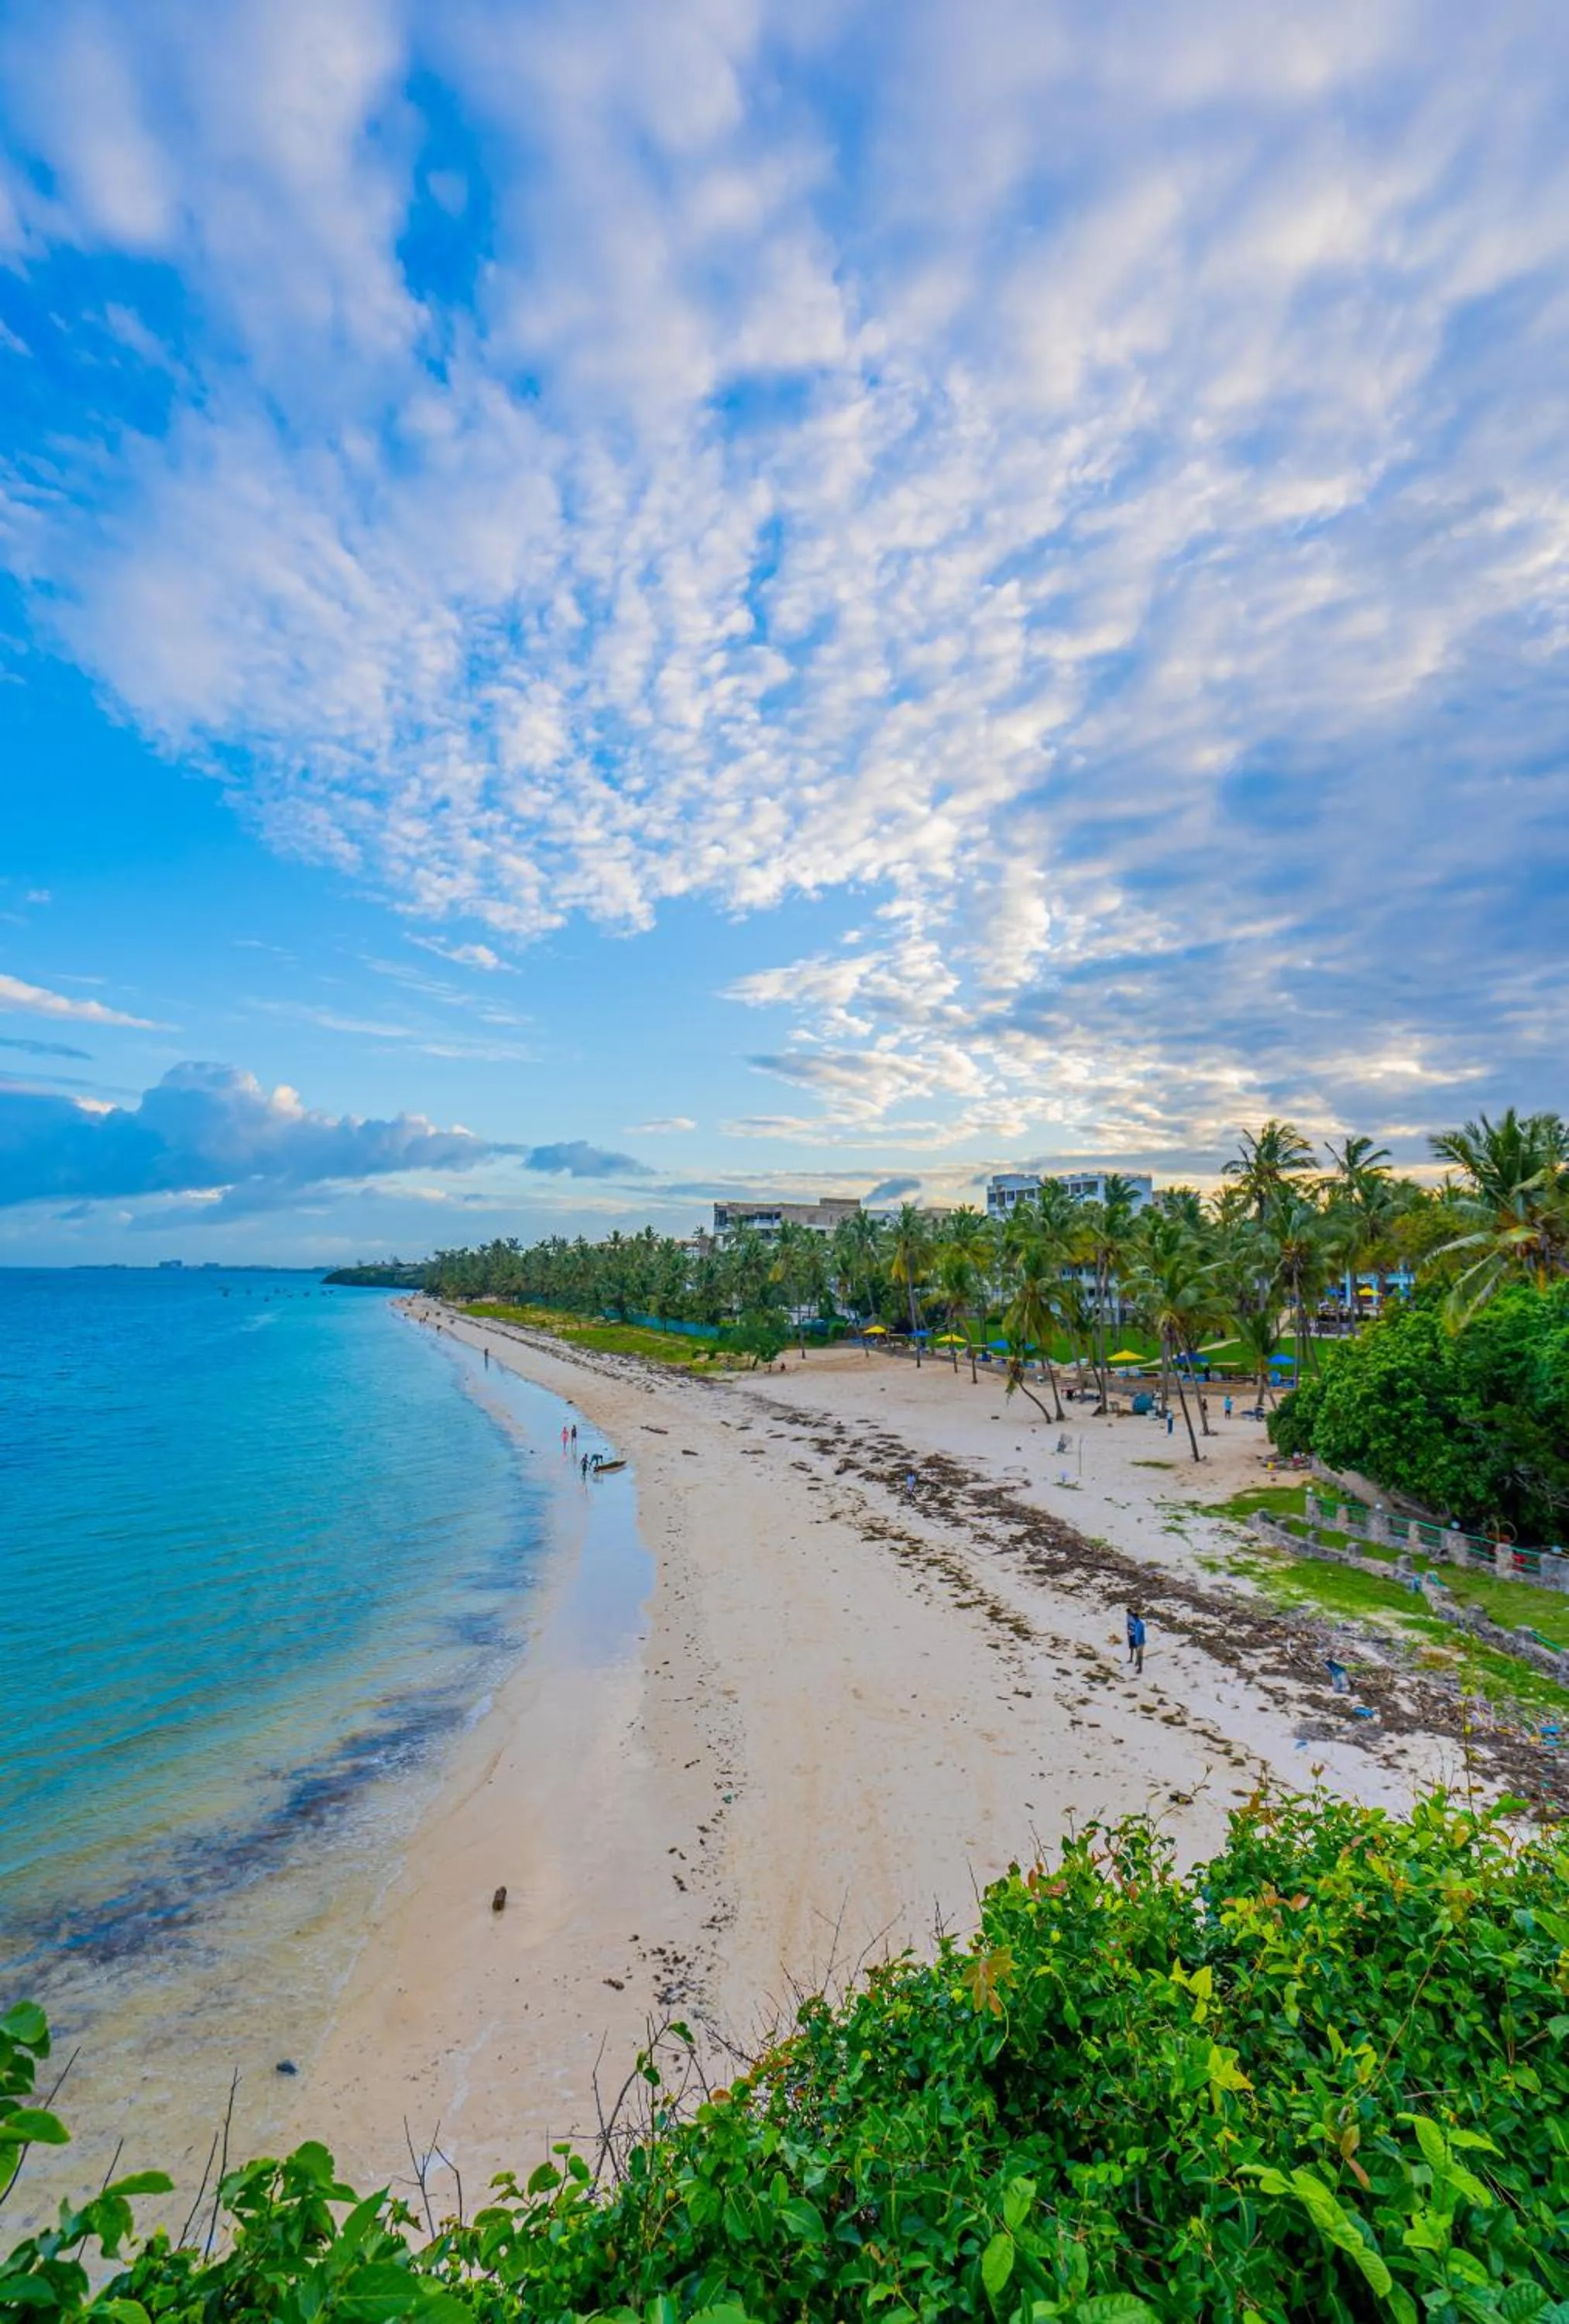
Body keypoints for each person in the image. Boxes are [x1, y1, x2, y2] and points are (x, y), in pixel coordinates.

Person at [1126, 1609, 1145, 1675]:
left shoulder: (1140, 1624)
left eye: (1134, 1618)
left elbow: (1140, 1633)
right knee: (1139, 1655)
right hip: (1138, 1641)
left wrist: (1138, 1641)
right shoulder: (1137, 1623)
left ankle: (1140, 1668)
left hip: (1140, 1642)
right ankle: (1139, 1666)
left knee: (1140, 1655)